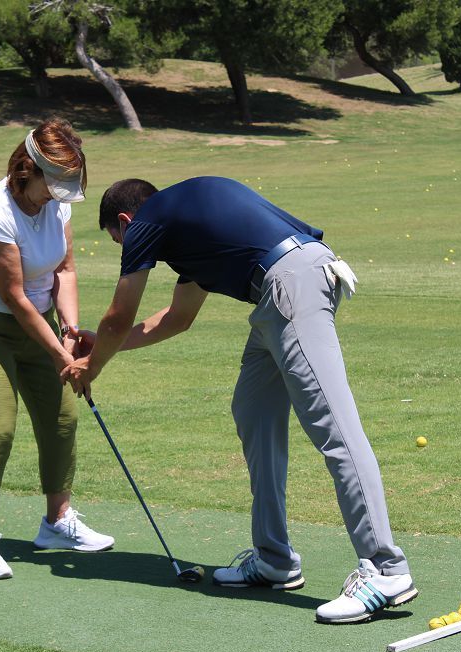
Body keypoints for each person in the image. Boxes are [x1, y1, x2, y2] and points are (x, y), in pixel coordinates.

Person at [62, 176, 416, 623]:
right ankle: (274, 560)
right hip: (282, 292)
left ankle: (386, 568)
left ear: (125, 221)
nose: (126, 248)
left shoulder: (148, 220)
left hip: (292, 285)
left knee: (335, 429)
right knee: (253, 411)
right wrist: (102, 347)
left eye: (119, 240)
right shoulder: (187, 230)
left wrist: (90, 366)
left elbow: (120, 314)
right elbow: (176, 318)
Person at [0, 117, 114, 580]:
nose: (61, 192)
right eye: (55, 181)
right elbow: (15, 297)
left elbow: (64, 270)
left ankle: (57, 523)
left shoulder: (58, 206)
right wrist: (64, 358)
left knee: (62, 417)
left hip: (39, 323)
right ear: (29, 169)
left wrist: (71, 328)